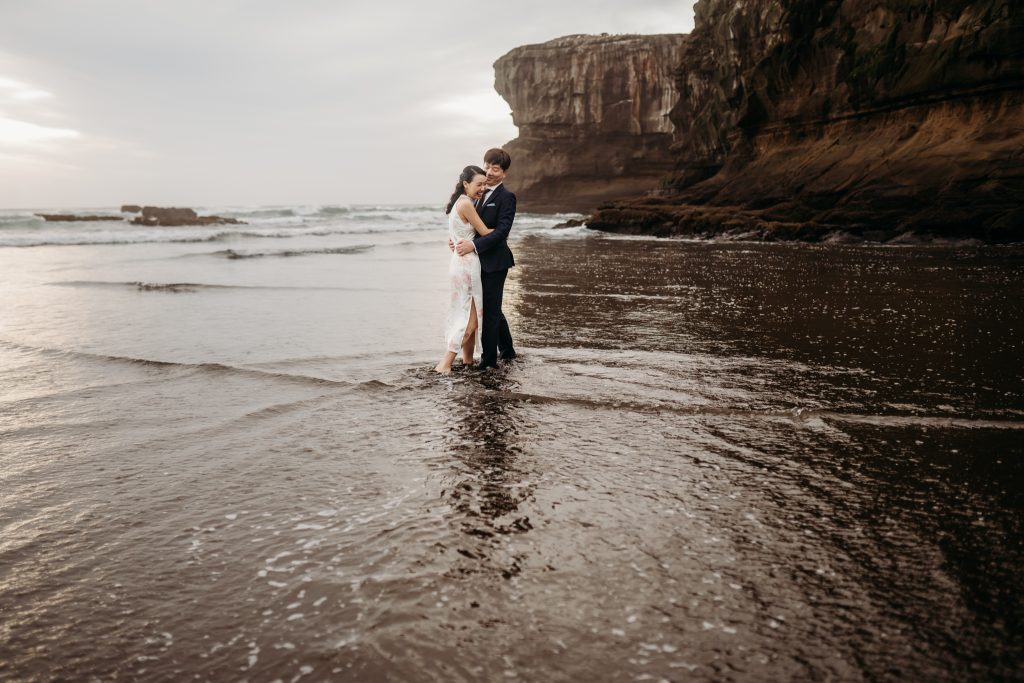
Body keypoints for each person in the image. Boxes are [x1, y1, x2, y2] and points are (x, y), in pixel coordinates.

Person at [453, 148, 516, 369]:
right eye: (487, 166)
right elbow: (469, 227)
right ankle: (508, 352)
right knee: (493, 308)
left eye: (495, 169)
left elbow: (501, 232)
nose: (489, 172)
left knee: (488, 311)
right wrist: (458, 241)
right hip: (475, 261)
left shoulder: (506, 197)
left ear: (504, 173)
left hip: (495, 262)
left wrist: (473, 245)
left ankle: (488, 362)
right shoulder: (476, 195)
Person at [434, 166, 494, 374]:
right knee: (470, 319)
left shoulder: (458, 202)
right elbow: (485, 232)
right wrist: (504, 229)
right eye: (479, 184)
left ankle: (467, 361)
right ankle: (445, 363)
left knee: (463, 312)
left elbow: (456, 236)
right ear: (466, 184)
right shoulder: (467, 204)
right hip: (467, 264)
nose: (483, 188)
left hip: (457, 263)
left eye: (485, 184)